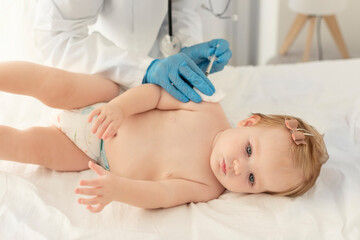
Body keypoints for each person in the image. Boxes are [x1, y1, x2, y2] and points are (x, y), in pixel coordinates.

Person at [0, 61, 328, 212]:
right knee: (53, 85)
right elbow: (156, 94)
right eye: (248, 150)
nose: (239, 168)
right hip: (104, 104)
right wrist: (120, 108)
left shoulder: (207, 188)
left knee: (30, 148)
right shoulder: (207, 110)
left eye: (254, 178)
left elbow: (160, 193)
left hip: (93, 152)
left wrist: (118, 189)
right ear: (247, 123)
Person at [33, 0, 232, 103]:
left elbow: (180, 8)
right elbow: (56, 37)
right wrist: (143, 69)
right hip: (92, 72)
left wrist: (185, 45)